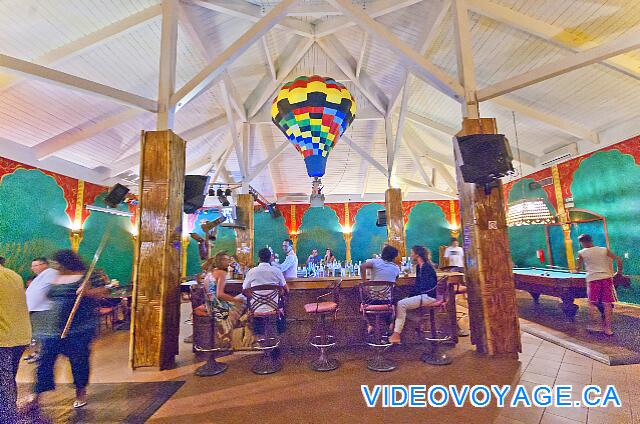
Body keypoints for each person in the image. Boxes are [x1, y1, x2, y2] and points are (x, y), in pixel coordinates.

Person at [25, 250, 109, 410]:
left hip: (79, 328)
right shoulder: (54, 278)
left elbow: (105, 291)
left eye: (57, 263)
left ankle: (80, 392)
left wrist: (88, 292)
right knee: (45, 361)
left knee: (79, 361)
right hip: (54, 328)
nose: (55, 266)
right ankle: (37, 394)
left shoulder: (87, 276)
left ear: (66, 262)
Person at [0, 257, 32, 424]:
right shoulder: (14, 275)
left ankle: (7, 418)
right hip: (20, 335)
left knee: (3, 383)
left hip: (3, 338)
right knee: (8, 379)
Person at [389, 246, 441, 344]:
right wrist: (410, 296)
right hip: (424, 295)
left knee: (401, 304)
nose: (411, 255)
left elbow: (425, 286)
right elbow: (418, 285)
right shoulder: (419, 266)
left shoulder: (426, 267)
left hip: (428, 296)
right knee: (399, 302)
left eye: (412, 253)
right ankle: (413, 325)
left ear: (417, 254)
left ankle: (397, 334)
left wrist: (411, 295)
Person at [244, 248, 289, 358]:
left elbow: (245, 289)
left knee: (258, 316)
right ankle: (275, 344)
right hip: (274, 309)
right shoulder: (276, 271)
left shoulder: (251, 272)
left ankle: (263, 346)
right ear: (271, 258)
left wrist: (256, 299)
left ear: (258, 258)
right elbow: (287, 289)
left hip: (256, 310)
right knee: (282, 308)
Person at [576, 234, 623, 336]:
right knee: (607, 304)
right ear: (591, 240)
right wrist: (619, 272)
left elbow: (578, 268)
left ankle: (595, 326)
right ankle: (608, 329)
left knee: (592, 303)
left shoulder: (581, 252)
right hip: (606, 278)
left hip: (592, 280)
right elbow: (619, 259)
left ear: (582, 242)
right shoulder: (604, 250)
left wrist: (577, 268)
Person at [202, 252, 245, 340]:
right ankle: (228, 333)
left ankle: (225, 333)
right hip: (219, 307)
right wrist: (235, 300)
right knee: (244, 300)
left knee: (240, 300)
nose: (229, 262)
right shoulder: (221, 273)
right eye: (226, 260)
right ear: (220, 261)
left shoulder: (210, 273)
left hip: (209, 306)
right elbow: (220, 294)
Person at [359, 245, 401, 333]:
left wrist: (364, 283)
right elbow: (395, 280)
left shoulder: (375, 262)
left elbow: (362, 266)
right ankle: (389, 325)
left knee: (360, 299)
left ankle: (370, 324)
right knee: (396, 301)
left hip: (371, 301)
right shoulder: (396, 268)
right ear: (394, 257)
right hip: (387, 302)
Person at [24, 257, 58, 364]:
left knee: (43, 335)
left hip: (45, 310)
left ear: (44, 265)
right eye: (32, 266)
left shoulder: (51, 273)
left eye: (36, 265)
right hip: (36, 310)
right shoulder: (39, 277)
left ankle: (43, 355)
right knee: (37, 335)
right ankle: (37, 353)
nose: (33, 268)